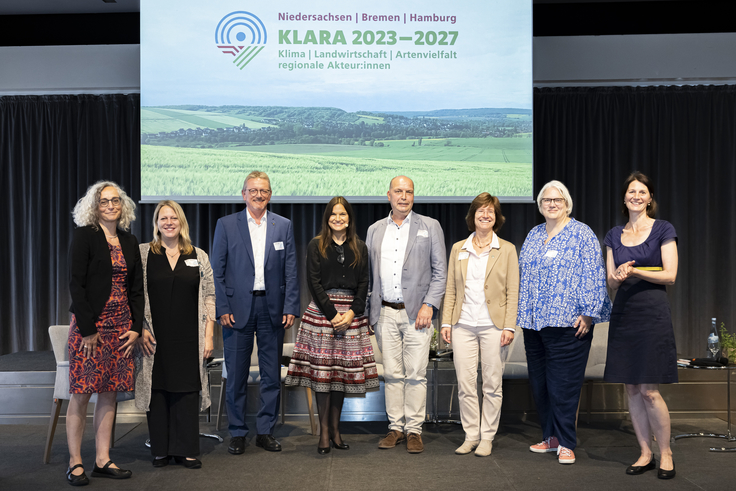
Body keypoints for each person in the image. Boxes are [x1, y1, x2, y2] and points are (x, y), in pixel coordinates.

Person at [517, 180, 611, 465]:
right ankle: (551, 438)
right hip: (534, 324)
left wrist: (588, 312)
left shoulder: (581, 234)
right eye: (546, 200)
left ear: (567, 203)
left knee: (563, 387)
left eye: (557, 200)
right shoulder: (534, 234)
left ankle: (567, 442)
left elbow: (595, 274)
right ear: (540, 205)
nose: (552, 204)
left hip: (569, 324)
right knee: (541, 386)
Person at [211, 171, 300, 455]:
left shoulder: (282, 225)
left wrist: (290, 306)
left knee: (271, 374)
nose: (258, 195)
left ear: (270, 194)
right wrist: (222, 307)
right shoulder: (226, 225)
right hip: (236, 311)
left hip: (272, 309)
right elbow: (217, 271)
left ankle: (265, 430)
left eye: (264, 191)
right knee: (236, 374)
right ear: (243, 194)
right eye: (253, 190)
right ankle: (237, 432)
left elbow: (290, 270)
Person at [285, 197, 379, 454]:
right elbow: (313, 283)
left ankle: (336, 430)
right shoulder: (316, 245)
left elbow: (364, 284)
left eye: (343, 215)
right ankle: (324, 433)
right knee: (323, 378)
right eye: (333, 215)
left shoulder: (360, 246)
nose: (338, 219)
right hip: (323, 317)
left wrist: (351, 314)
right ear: (327, 218)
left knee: (341, 377)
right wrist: (332, 315)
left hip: (350, 316)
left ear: (349, 218)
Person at [66, 181, 143, 485]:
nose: (110, 206)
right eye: (104, 201)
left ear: (122, 205)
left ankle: (102, 459)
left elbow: (135, 290)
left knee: (109, 394)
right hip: (91, 330)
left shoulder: (129, 239)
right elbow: (76, 284)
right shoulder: (85, 236)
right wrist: (87, 330)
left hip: (121, 330)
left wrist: (136, 328)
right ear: (94, 206)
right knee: (82, 394)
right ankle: (75, 462)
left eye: (115, 201)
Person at [604, 172, 678, 479]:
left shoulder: (663, 229)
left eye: (642, 191)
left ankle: (666, 453)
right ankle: (645, 452)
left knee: (649, 389)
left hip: (651, 313)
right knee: (631, 387)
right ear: (624, 199)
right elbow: (610, 282)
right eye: (631, 191)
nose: (636, 195)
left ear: (650, 199)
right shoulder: (612, 235)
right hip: (624, 315)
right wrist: (619, 275)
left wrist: (636, 272)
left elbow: (670, 275)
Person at [366, 175, 447, 454]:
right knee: (392, 374)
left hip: (418, 314)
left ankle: (414, 430)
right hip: (385, 313)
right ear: (388, 195)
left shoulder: (430, 226)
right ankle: (395, 428)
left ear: (414, 195)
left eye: (408, 191)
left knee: (416, 374)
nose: (404, 196)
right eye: (398, 191)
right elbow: (369, 276)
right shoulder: (375, 229)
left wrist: (430, 305)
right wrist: (368, 314)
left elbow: (440, 273)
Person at [134, 200, 216, 469]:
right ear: (156, 223)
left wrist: (209, 335)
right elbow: (134, 296)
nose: (168, 222)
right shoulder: (143, 253)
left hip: (189, 336)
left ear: (181, 222)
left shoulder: (198, 255)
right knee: (157, 389)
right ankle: (161, 450)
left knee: (187, 389)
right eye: (163, 218)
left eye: (173, 218)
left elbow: (209, 298)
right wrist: (141, 328)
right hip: (154, 336)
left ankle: (187, 450)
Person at [440, 193, 519, 457]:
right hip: (462, 325)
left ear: (496, 218)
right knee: (465, 383)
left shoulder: (506, 249)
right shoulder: (458, 248)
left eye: (490, 212)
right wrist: (447, 322)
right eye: (480, 211)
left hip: (493, 326)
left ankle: (487, 437)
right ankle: (471, 435)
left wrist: (509, 326)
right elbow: (450, 289)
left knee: (492, 384)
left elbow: (512, 291)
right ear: (472, 216)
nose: (485, 216)